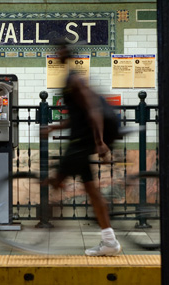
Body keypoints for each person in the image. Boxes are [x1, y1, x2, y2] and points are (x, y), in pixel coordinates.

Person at [41, 43, 122, 256]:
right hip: (80, 140)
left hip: (81, 141)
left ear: (65, 54)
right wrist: (54, 127)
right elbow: (77, 116)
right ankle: (109, 242)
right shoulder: (70, 80)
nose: (56, 54)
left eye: (59, 51)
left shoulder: (74, 80)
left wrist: (99, 142)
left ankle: (47, 220)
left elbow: (93, 110)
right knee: (92, 191)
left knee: (59, 180)